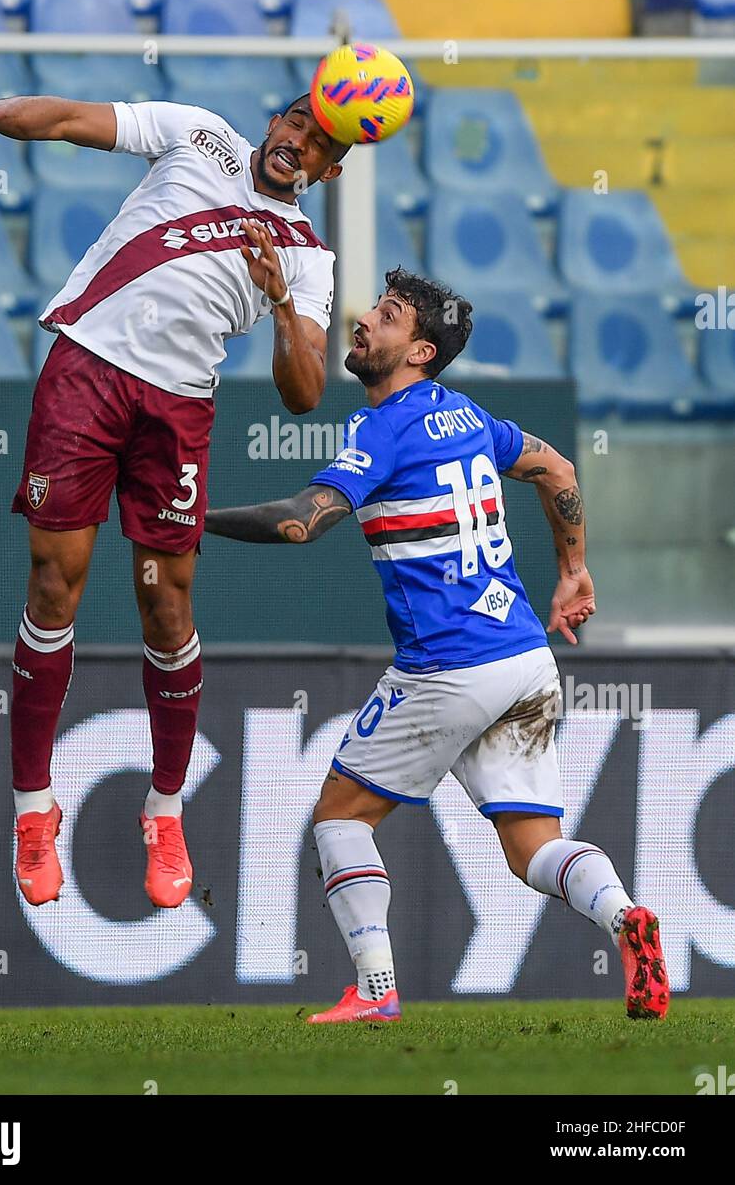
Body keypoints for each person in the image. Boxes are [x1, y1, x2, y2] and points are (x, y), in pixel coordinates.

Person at [0, 90, 347, 911]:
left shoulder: (308, 257)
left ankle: (166, 810)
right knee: (52, 583)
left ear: (331, 170)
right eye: (294, 120)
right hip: (87, 373)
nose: (297, 141)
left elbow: (305, 391)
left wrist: (280, 300)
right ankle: (33, 810)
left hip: (176, 409)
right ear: (273, 121)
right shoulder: (202, 136)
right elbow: (73, 120)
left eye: (318, 144)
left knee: (167, 610)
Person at [205, 268, 670, 1023]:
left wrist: (193, 523)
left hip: (448, 665)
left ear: (419, 350)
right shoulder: (469, 417)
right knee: (532, 851)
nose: (363, 323)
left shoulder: (381, 428)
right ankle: (625, 918)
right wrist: (574, 570)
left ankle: (377, 993)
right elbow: (557, 469)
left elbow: (301, 520)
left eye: (385, 317)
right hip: (523, 659)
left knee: (340, 817)